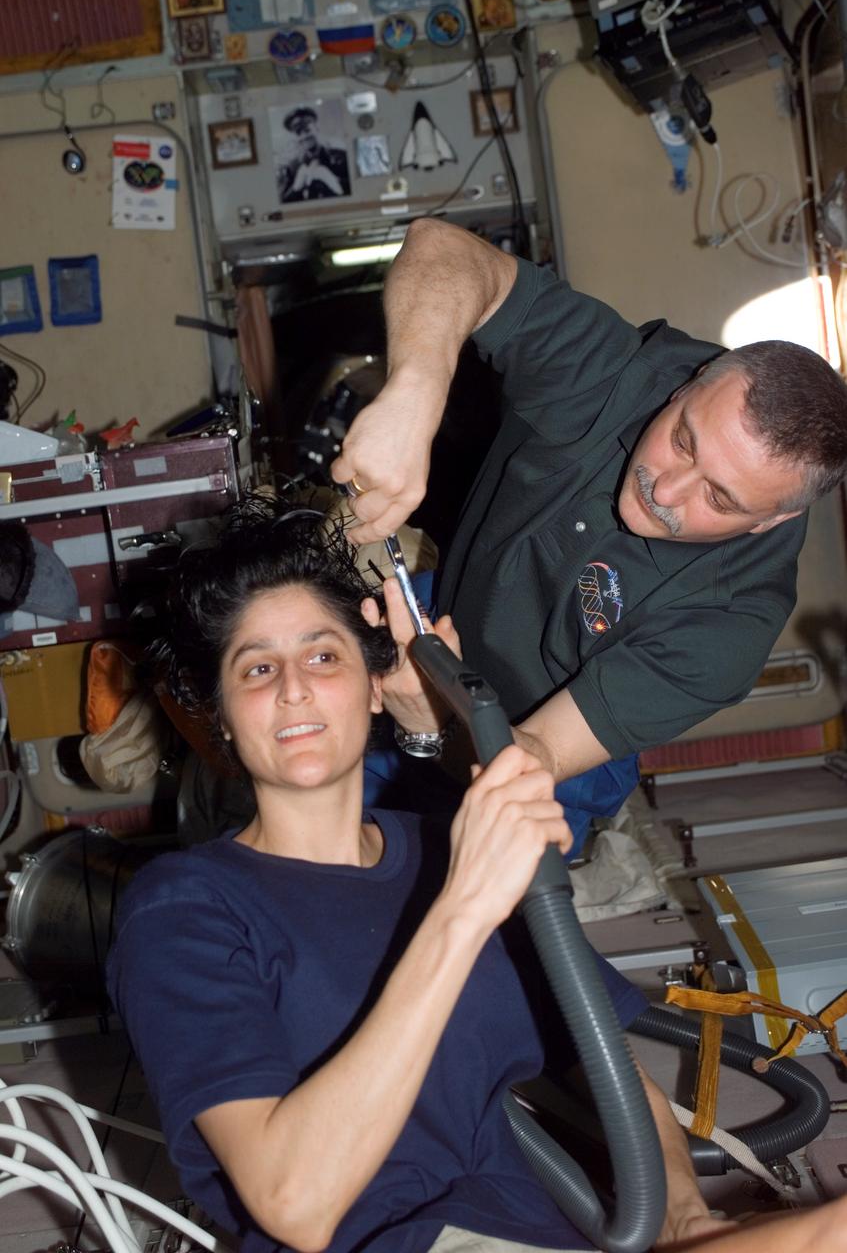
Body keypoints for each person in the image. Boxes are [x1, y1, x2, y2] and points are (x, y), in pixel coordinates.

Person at [106, 495, 778, 1253]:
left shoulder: (440, 846)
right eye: (257, 667)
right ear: (224, 716)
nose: (293, 686)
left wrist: (685, 1218)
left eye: (323, 655)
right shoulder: (185, 908)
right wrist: (461, 909)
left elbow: (606, 1063)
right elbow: (294, 1204)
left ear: (373, 686)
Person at [331, 218, 847, 853]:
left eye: (719, 497)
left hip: (544, 755)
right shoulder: (616, 373)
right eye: (683, 440)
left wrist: (427, 724)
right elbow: (441, 249)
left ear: (770, 520)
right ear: (689, 382)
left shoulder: (730, 624)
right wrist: (413, 397)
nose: (668, 490)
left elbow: (534, 757)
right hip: (449, 614)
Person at [277, 106, 351, 204]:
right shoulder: (292, 167)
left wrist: (332, 179)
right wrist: (296, 187)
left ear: (317, 129)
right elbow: (283, 203)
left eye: (308, 130)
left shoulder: (340, 156)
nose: (304, 137)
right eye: (298, 133)